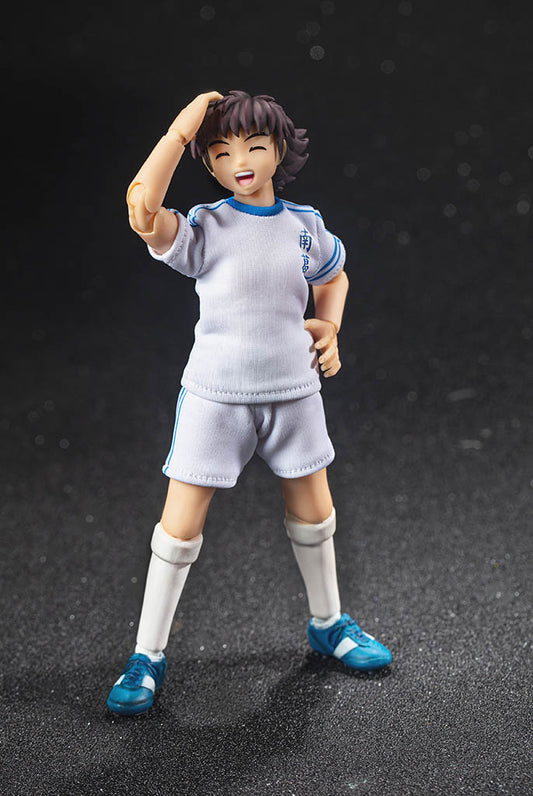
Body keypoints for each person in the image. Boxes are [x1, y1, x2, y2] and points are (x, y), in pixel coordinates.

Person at [107, 90, 392, 717]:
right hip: (217, 396)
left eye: (254, 146)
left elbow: (334, 275)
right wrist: (180, 132)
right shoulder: (206, 227)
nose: (239, 162)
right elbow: (141, 208)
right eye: (221, 152)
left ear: (279, 150)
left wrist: (330, 325)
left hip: (294, 390)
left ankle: (328, 622)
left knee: (315, 511)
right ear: (207, 161)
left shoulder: (304, 226)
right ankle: (146, 654)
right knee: (179, 528)